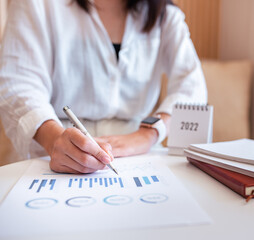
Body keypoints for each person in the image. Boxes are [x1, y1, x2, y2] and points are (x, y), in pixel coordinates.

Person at [0, 0, 207, 173]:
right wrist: (54, 139)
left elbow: (192, 87)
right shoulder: (37, 4)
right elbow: (19, 84)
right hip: (52, 152)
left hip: (140, 154)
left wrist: (150, 132)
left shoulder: (165, 14)